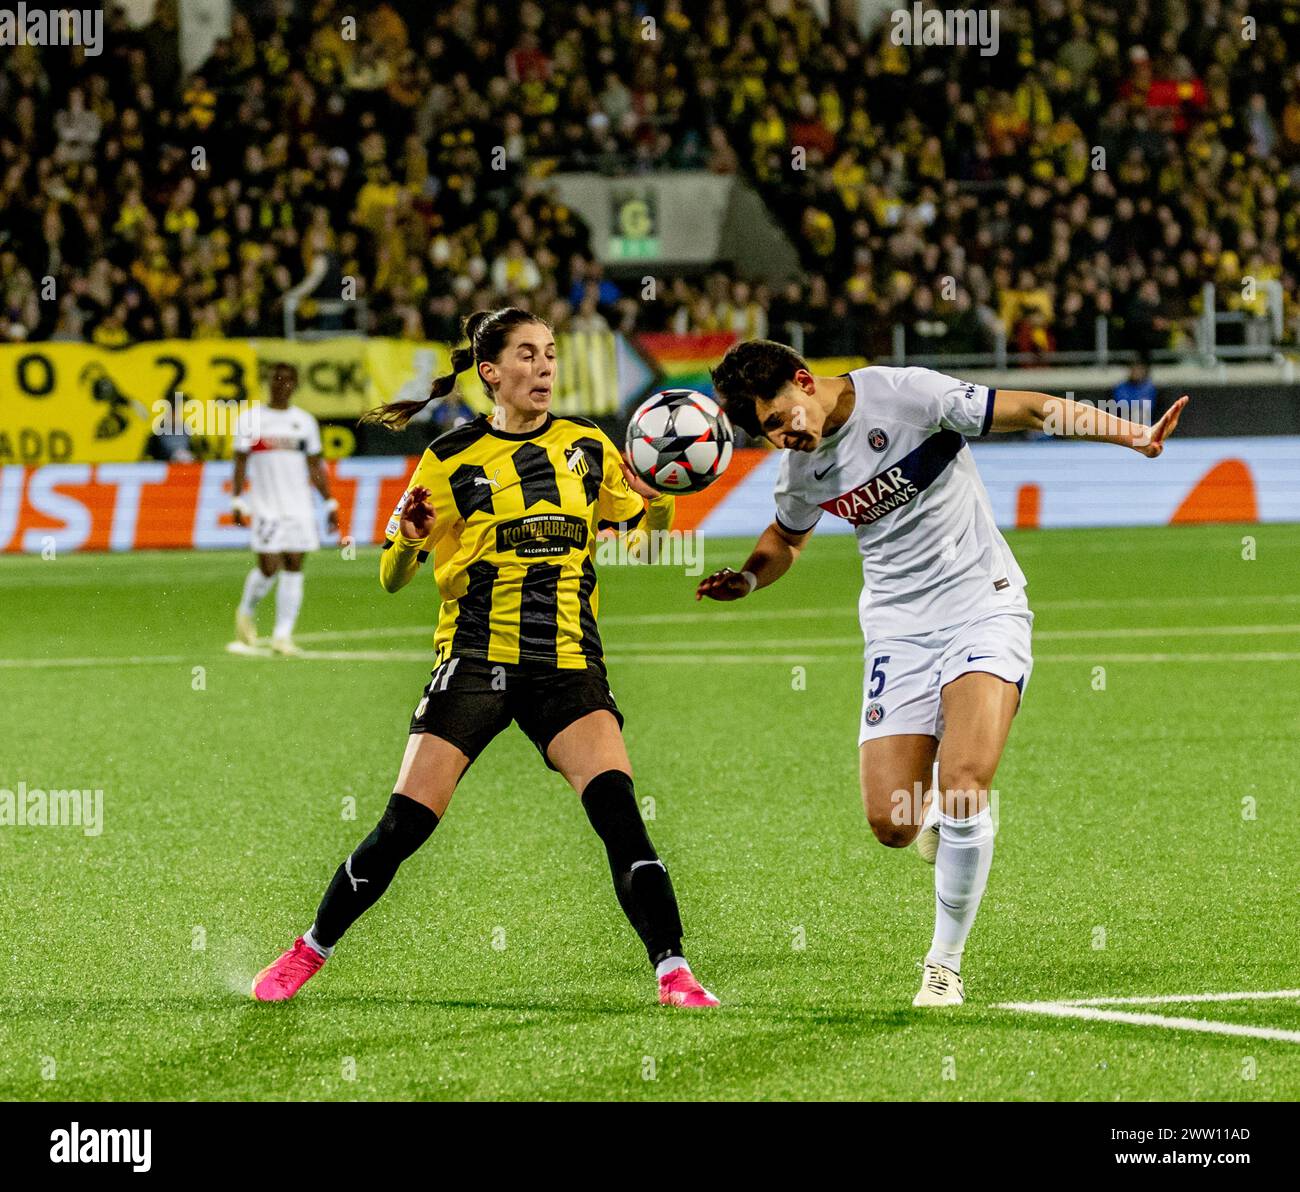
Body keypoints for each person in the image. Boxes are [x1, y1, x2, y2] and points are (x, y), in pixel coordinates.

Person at [251, 307, 719, 1008]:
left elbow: (645, 540)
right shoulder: (449, 458)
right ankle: (308, 949)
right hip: (474, 661)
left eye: (552, 353)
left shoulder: (587, 446)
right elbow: (391, 577)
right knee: (404, 826)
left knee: (619, 812)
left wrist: (656, 503)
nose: (545, 367)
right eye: (527, 355)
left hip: (566, 664)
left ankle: (673, 971)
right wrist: (409, 539)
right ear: (492, 373)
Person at [700, 339, 1187, 1007]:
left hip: (982, 606)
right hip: (898, 632)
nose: (785, 436)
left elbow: (1036, 410)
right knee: (891, 824)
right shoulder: (804, 468)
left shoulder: (907, 396)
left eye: (783, 418)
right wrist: (750, 578)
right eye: (769, 432)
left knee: (964, 782)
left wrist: (1132, 435)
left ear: (804, 381)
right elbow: (786, 537)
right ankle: (934, 818)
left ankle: (944, 963)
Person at [231, 363, 339, 655]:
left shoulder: (304, 422)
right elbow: (240, 461)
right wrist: (238, 499)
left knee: (294, 563)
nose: (283, 385)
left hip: (299, 505)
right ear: (269, 382)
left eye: (289, 380)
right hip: (266, 505)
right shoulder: (251, 419)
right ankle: (245, 611)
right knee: (268, 566)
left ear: (295, 385)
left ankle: (282, 635)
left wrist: (329, 502)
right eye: (278, 379)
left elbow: (315, 465)